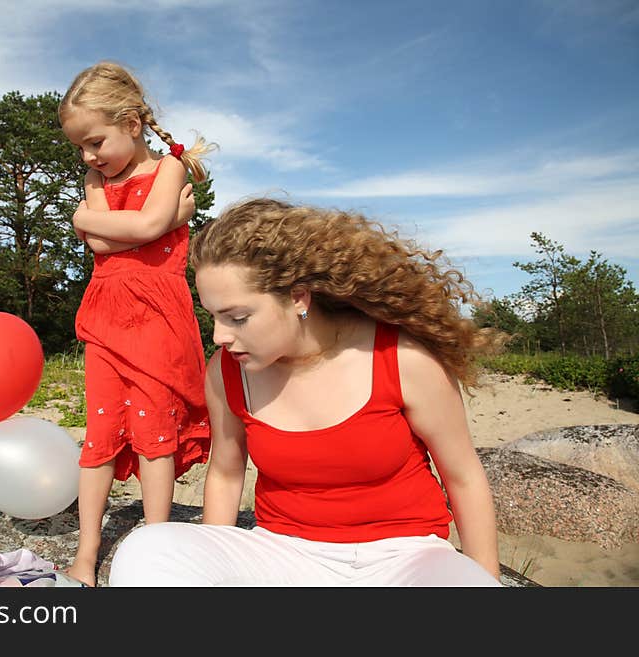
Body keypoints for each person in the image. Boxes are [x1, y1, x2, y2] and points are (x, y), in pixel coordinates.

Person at [108, 197, 507, 586]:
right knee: (147, 547)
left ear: (298, 297)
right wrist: (218, 560)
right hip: (283, 555)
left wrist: (485, 577)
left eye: (238, 317)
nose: (220, 336)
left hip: (406, 559)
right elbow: (227, 474)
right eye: (213, 316)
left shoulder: (402, 358)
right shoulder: (227, 372)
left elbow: (463, 476)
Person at [57, 61, 215, 586]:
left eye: (95, 142)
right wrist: (165, 221)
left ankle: (156, 544)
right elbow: (104, 240)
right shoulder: (95, 178)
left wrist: (131, 223)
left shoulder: (169, 168)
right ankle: (87, 551)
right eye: (80, 147)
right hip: (106, 311)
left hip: (156, 314)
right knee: (100, 427)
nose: (88, 156)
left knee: (154, 429)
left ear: (131, 122)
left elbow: (134, 227)